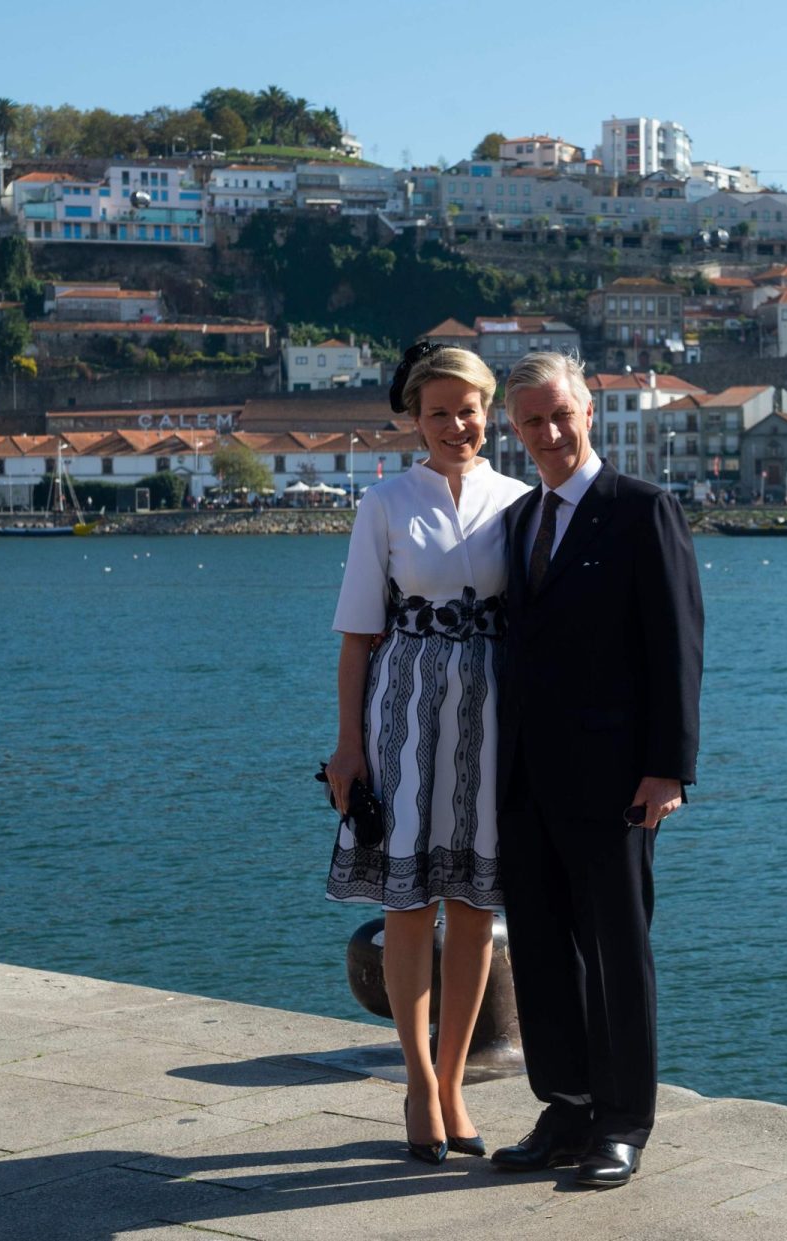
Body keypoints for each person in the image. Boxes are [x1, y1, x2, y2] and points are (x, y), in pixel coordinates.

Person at [489, 352, 704, 1190]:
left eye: (560, 416)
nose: (548, 433)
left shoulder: (642, 510)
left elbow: (677, 648)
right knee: (541, 949)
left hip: (617, 780)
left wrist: (669, 769)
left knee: (618, 951)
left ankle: (623, 1121)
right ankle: (567, 1105)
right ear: (516, 430)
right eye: (532, 421)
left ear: (591, 412)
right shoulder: (518, 519)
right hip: (527, 778)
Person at [325, 342, 531, 1164]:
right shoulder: (383, 503)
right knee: (410, 905)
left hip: (491, 710)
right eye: (439, 411)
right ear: (414, 418)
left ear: (490, 414)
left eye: (469, 409)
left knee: (478, 906)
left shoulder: (521, 501)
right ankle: (417, 1082)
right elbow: (355, 636)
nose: (456, 424)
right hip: (402, 710)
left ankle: (453, 1082)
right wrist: (347, 746)